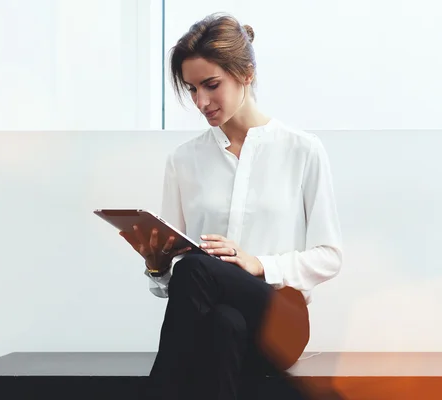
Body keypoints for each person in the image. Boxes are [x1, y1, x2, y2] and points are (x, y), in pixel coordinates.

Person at [120, 12, 343, 400]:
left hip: (282, 322)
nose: (201, 102)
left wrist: (259, 264)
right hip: (216, 322)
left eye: (211, 85)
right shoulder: (183, 160)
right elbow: (176, 283)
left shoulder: (302, 150)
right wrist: (156, 265)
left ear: (246, 74)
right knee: (222, 321)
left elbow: (329, 257)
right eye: (191, 89)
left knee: (196, 268)